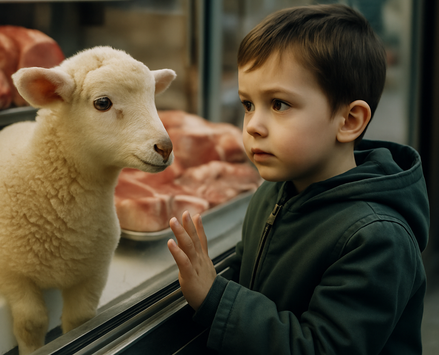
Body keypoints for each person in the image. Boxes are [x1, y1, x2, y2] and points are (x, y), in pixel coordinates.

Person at [167, 4, 429, 354]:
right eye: (248, 104)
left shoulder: (377, 239)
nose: (253, 125)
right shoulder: (273, 192)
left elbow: (321, 348)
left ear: (349, 120)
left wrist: (215, 299)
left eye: (278, 104)